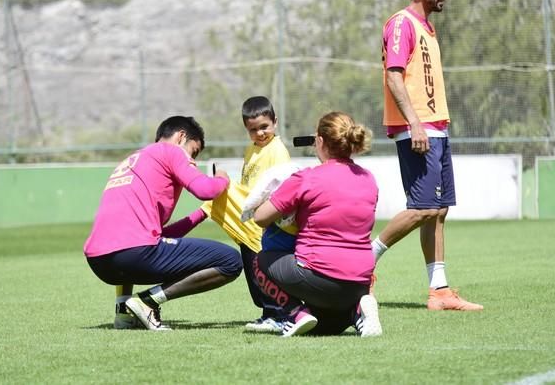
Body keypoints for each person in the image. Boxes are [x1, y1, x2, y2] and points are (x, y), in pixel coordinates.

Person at [374, 0, 482, 311]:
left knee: (438, 211)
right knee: (423, 209)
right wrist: (415, 123)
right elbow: (393, 76)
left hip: (436, 127)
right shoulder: (402, 23)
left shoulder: (427, 29)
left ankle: (439, 291)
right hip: (418, 129)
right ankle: (364, 260)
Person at [84, 116, 242, 331]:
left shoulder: (134, 160)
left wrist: (202, 214)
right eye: (193, 152)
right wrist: (223, 177)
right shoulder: (171, 151)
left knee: (137, 242)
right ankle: (147, 302)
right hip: (134, 253)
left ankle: (123, 312)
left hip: (100, 263)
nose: (192, 161)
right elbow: (206, 190)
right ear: (181, 137)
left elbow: (156, 235)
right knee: (231, 260)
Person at [253, 111, 382, 337]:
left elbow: (260, 217)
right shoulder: (368, 178)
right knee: (322, 329)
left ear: (320, 141)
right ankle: (357, 309)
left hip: (318, 277)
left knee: (260, 261)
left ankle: (295, 312)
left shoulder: (307, 178)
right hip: (360, 282)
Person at [203, 96, 294, 333]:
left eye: (264, 127)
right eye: (253, 130)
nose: (260, 133)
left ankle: (279, 314)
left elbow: (280, 186)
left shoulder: (277, 150)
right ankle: (269, 313)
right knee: (253, 272)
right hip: (249, 223)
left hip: (267, 225)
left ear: (275, 121)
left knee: (263, 270)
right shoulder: (251, 149)